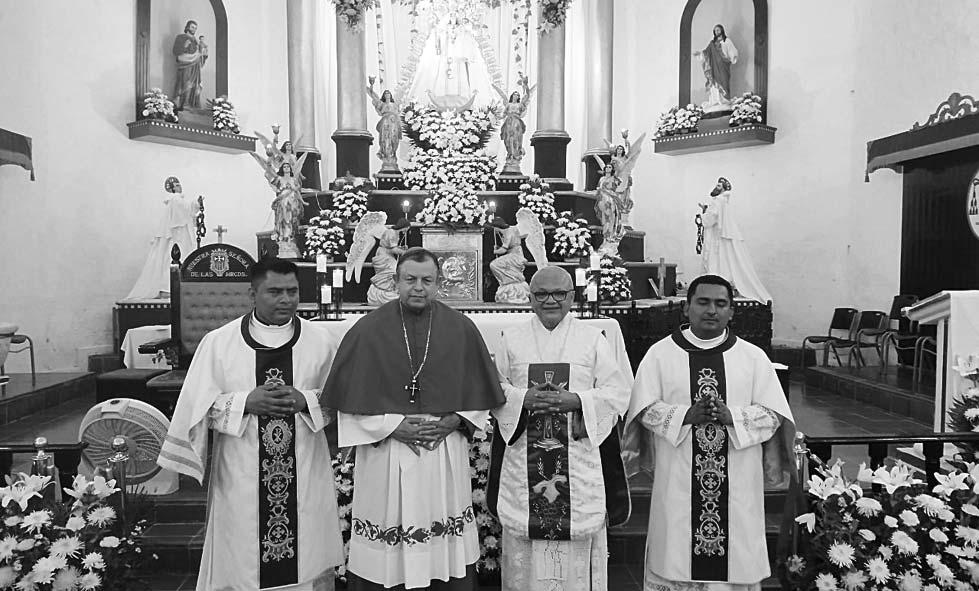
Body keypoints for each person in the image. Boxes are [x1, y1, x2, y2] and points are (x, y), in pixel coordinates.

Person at [322, 248, 506, 590]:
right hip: (386, 451)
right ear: (396, 281)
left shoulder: (461, 328)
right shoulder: (367, 331)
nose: (418, 287)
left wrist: (457, 420)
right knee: (387, 530)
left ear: (438, 283)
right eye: (410, 279)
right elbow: (345, 403)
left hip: (442, 449)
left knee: (442, 530)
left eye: (426, 280)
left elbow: (483, 389)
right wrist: (392, 426)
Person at [158, 257, 344, 591]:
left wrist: (306, 400)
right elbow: (195, 409)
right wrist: (245, 403)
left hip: (305, 466)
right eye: (274, 291)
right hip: (241, 471)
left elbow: (341, 397)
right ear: (252, 294)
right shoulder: (219, 343)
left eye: (292, 291)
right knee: (242, 552)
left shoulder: (322, 341)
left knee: (307, 549)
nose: (285, 299)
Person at [625, 274, 794, 591]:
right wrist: (683, 415)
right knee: (675, 552)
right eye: (703, 302)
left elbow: (775, 415)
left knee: (736, 553)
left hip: (738, 478)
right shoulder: (660, 354)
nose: (712, 310)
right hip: (678, 474)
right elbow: (642, 408)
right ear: (686, 307)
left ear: (732, 311)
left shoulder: (753, 357)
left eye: (721, 303)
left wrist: (735, 417)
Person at [487, 266, 632, 591]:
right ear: (530, 298)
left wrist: (578, 400)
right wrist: (523, 398)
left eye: (558, 294)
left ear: (572, 297)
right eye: (541, 294)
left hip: (577, 460)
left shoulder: (592, 339)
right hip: (525, 459)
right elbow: (495, 388)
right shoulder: (512, 338)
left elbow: (618, 391)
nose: (550, 300)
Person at [700, 177, 773, 304]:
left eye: (719, 186)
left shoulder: (718, 200)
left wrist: (704, 213)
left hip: (717, 237)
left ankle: (718, 288)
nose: (716, 187)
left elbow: (711, 218)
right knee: (724, 261)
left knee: (716, 261)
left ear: (723, 189)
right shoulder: (725, 201)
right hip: (720, 235)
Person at [125, 176, 197, 299]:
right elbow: (187, 209)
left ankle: (170, 287)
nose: (180, 187)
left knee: (174, 261)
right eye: (177, 185)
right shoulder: (175, 199)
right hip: (177, 237)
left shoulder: (175, 200)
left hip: (178, 235)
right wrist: (196, 203)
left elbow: (186, 212)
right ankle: (167, 288)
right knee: (172, 261)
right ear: (173, 188)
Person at [694, 24, 738, 112]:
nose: (716, 32)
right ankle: (716, 101)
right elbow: (706, 53)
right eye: (715, 30)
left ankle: (724, 100)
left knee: (724, 82)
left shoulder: (727, 41)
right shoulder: (712, 44)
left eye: (718, 30)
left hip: (723, 66)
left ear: (722, 30)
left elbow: (732, 51)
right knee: (714, 84)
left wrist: (733, 57)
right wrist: (700, 54)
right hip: (714, 68)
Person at [367, 217, 410, 305]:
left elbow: (392, 247)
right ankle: (384, 291)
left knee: (395, 271)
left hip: (387, 254)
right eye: (407, 228)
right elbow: (393, 249)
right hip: (384, 255)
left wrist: (401, 248)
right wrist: (404, 252)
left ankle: (389, 291)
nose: (406, 231)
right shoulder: (391, 233)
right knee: (392, 271)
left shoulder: (395, 233)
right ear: (404, 226)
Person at [489, 217, 530, 304]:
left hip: (515, 256)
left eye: (494, 228)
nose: (494, 230)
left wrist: (494, 251)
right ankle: (509, 280)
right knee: (499, 264)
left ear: (496, 227)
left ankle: (509, 280)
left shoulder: (508, 233)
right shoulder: (512, 229)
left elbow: (503, 250)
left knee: (494, 265)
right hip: (513, 254)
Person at [172, 20, 208, 110]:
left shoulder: (196, 41)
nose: (194, 29)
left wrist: (204, 53)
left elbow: (200, 54)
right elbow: (175, 51)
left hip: (195, 67)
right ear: (187, 27)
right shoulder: (181, 37)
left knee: (195, 85)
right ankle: (183, 104)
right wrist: (184, 46)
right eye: (192, 27)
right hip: (185, 65)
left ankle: (192, 104)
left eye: (195, 28)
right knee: (185, 84)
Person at [366, 80, 402, 172]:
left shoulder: (395, 105)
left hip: (394, 124)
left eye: (388, 93)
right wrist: (371, 86)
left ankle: (392, 156)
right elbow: (373, 95)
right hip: (385, 124)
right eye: (385, 94)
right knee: (385, 140)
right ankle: (387, 157)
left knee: (394, 140)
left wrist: (400, 127)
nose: (387, 95)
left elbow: (398, 116)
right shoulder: (382, 104)